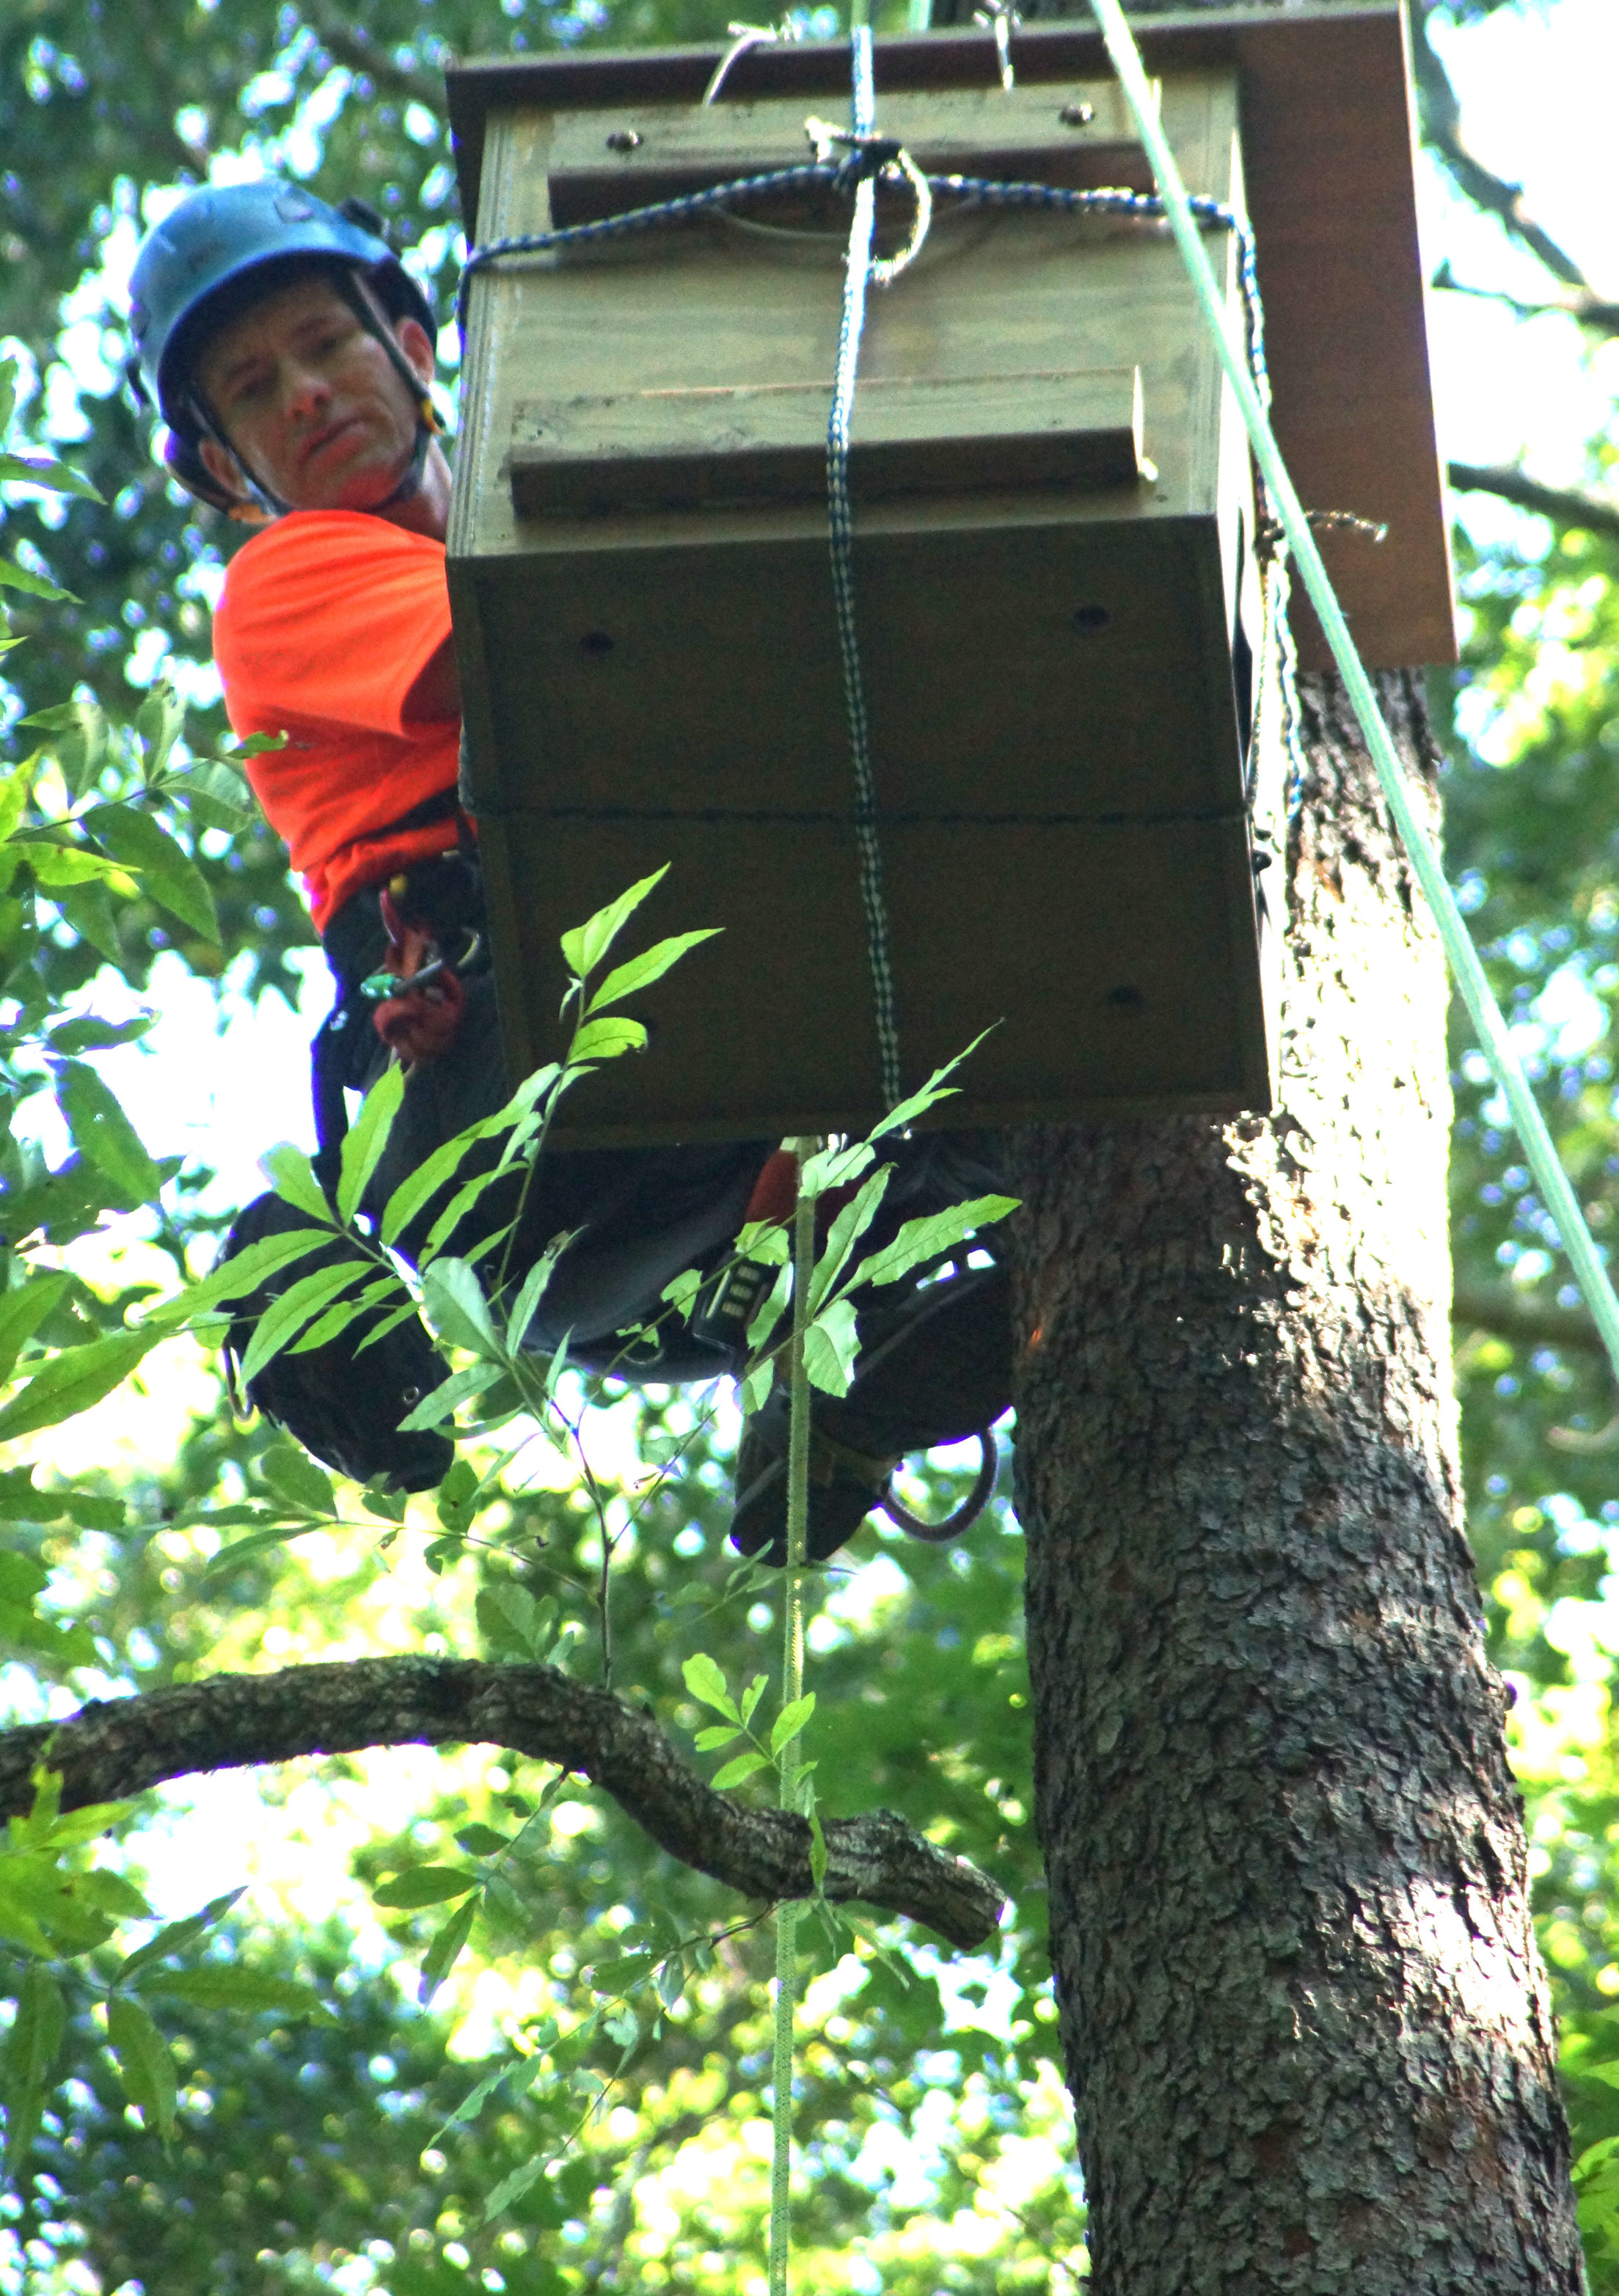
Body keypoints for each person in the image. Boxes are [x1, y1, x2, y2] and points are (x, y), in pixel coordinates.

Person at [127, 179, 1012, 1555]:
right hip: (518, 1103)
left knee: (995, 1065)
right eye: (252, 388)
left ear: (412, 352)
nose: (303, 393)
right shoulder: (291, 579)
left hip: (654, 1246)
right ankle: (825, 1285)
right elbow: (563, 655)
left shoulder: (530, 512)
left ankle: (829, 1325)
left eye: (325, 345)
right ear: (218, 463)